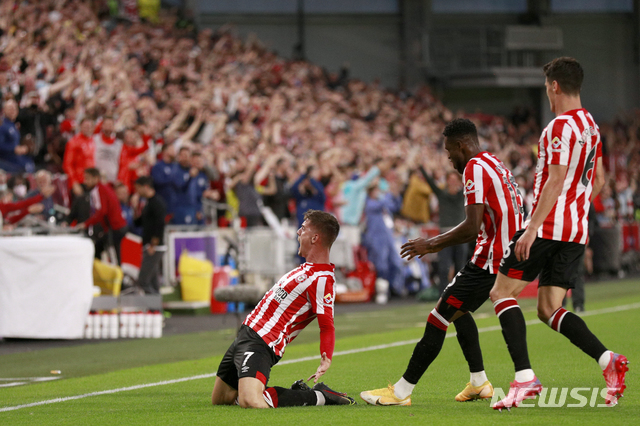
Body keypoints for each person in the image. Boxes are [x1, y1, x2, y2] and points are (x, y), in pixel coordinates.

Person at [489, 57, 628, 410]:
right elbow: (598, 181)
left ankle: (524, 379)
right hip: (575, 230)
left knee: (501, 293)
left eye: (546, 88)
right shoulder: (592, 127)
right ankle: (607, 360)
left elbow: (554, 178)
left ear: (554, 87)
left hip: (548, 227)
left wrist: (532, 228)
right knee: (549, 308)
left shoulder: (558, 127)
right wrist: (575, 209)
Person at [360, 118, 524, 406]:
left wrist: (431, 244)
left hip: (490, 259)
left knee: (438, 316)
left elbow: (472, 227)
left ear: (462, 146)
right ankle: (478, 382)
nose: (450, 161)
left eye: (450, 153)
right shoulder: (494, 162)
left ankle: (401, 391)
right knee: (458, 312)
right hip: (505, 254)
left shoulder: (473, 167)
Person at [211, 210, 355, 408]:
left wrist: (326, 357)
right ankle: (266, 391)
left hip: (263, 342)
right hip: (245, 334)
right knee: (221, 398)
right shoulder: (304, 269)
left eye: (303, 228)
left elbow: (327, 325)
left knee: (251, 401)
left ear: (315, 237)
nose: (298, 232)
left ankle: (318, 396)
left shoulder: (323, 279)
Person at [420, 168, 467, 293]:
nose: (452, 182)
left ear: (458, 181)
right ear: (446, 181)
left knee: (460, 266)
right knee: (443, 267)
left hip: (460, 234)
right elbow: (430, 182)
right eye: (449, 180)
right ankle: (443, 295)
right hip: (445, 234)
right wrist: (422, 167)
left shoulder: (462, 194)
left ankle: (459, 294)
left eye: (454, 180)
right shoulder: (442, 194)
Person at [77, 168, 128, 264]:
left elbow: (102, 212)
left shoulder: (98, 189)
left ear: (95, 178)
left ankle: (117, 275)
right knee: (103, 249)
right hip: (116, 226)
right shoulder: (103, 188)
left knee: (114, 255)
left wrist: (86, 224)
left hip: (116, 227)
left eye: (87, 179)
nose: (85, 182)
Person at [133, 176, 166, 294]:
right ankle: (156, 309)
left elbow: (160, 224)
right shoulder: (148, 203)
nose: (136, 191)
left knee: (143, 280)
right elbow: (138, 223)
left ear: (145, 187)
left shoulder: (157, 202)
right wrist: (135, 207)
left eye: (138, 188)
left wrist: (153, 244)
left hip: (154, 247)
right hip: (149, 245)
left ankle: (154, 307)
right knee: (153, 281)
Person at [63, 117, 95, 197]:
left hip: (91, 182)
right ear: (80, 127)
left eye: (90, 127)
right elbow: (67, 164)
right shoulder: (73, 142)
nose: (88, 129)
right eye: (85, 126)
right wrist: (74, 183)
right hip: (80, 181)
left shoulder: (93, 141)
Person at [0, 99, 34, 173]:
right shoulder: (2, 125)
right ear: (4, 110)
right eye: (10, 108)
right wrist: (14, 149)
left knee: (31, 164)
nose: (13, 111)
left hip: (15, 159)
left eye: (15, 108)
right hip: (6, 161)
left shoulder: (13, 125)